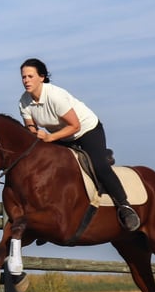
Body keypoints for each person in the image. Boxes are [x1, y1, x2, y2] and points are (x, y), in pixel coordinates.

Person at [18, 58, 141, 231]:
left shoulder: (54, 96)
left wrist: (50, 138)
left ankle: (125, 207)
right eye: (23, 77)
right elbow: (32, 130)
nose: (26, 81)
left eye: (30, 76)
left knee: (99, 166)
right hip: (61, 135)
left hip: (86, 130)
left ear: (42, 77)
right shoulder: (24, 102)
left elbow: (75, 126)